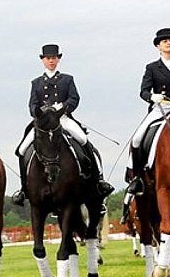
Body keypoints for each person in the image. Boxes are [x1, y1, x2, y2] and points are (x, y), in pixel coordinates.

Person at [11, 44, 114, 205]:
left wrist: (63, 107)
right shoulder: (36, 82)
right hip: (44, 123)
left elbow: (74, 98)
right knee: (22, 149)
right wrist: (42, 111)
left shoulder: (67, 79)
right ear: (43, 60)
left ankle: (98, 180)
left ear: (58, 59)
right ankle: (24, 188)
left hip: (63, 119)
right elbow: (32, 105)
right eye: (48, 58)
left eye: (54, 58)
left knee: (83, 141)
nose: (51, 61)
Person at [121, 28, 170, 222]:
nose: (169, 43)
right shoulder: (152, 68)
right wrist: (153, 96)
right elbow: (143, 91)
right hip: (159, 109)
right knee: (137, 138)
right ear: (158, 46)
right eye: (165, 41)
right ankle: (136, 178)